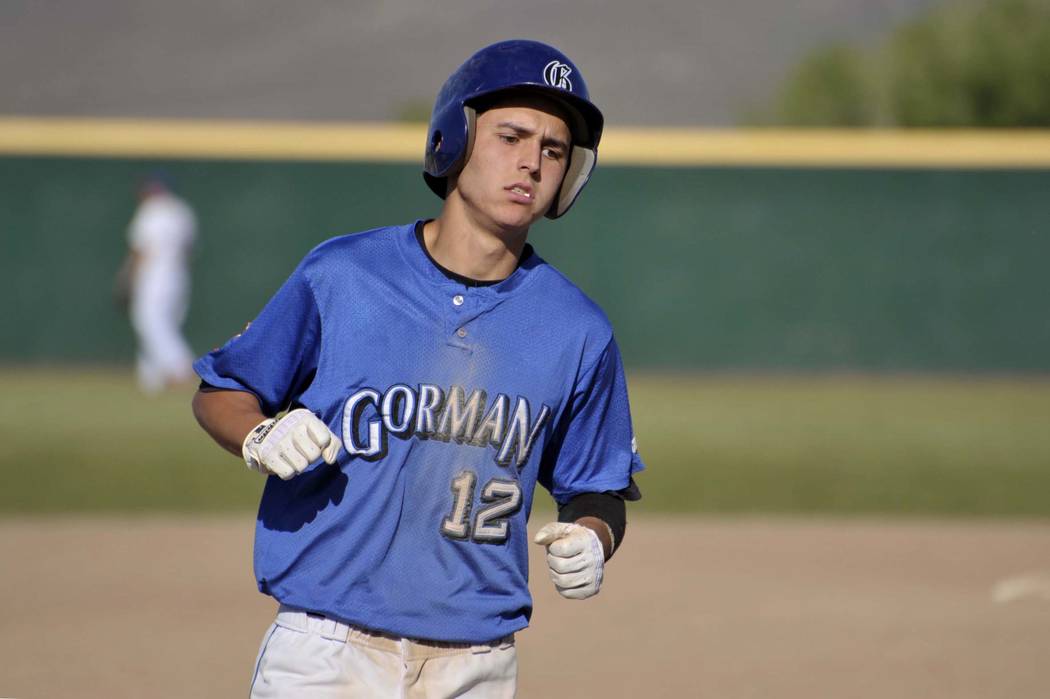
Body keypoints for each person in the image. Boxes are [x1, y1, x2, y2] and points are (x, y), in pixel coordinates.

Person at [191, 39, 644, 698]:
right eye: (511, 135)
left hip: (478, 661)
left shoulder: (579, 329)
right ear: (454, 139)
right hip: (325, 650)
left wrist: (595, 537)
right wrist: (259, 434)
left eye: (553, 149)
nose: (531, 162)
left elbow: (596, 486)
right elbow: (222, 391)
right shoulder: (343, 275)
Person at [117, 175, 197, 393]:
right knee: (166, 323)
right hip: (178, 274)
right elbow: (189, 249)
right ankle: (152, 377)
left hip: (153, 276)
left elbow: (141, 251)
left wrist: (126, 278)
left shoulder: (151, 211)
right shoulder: (182, 210)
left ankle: (181, 367)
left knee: (150, 323)